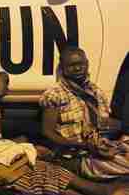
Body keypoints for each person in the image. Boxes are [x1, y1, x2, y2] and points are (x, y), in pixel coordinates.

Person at [0, 59, 129, 195]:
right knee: (29, 173)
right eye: (6, 81)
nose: (8, 88)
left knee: (37, 167)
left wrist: (12, 144)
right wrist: (11, 143)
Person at [40, 46, 129, 180]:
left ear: (87, 64)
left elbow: (104, 126)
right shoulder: (55, 95)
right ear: (62, 68)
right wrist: (83, 145)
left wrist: (110, 140)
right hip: (74, 157)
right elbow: (48, 132)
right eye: (71, 65)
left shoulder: (96, 92)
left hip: (97, 152)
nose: (77, 69)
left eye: (81, 64)